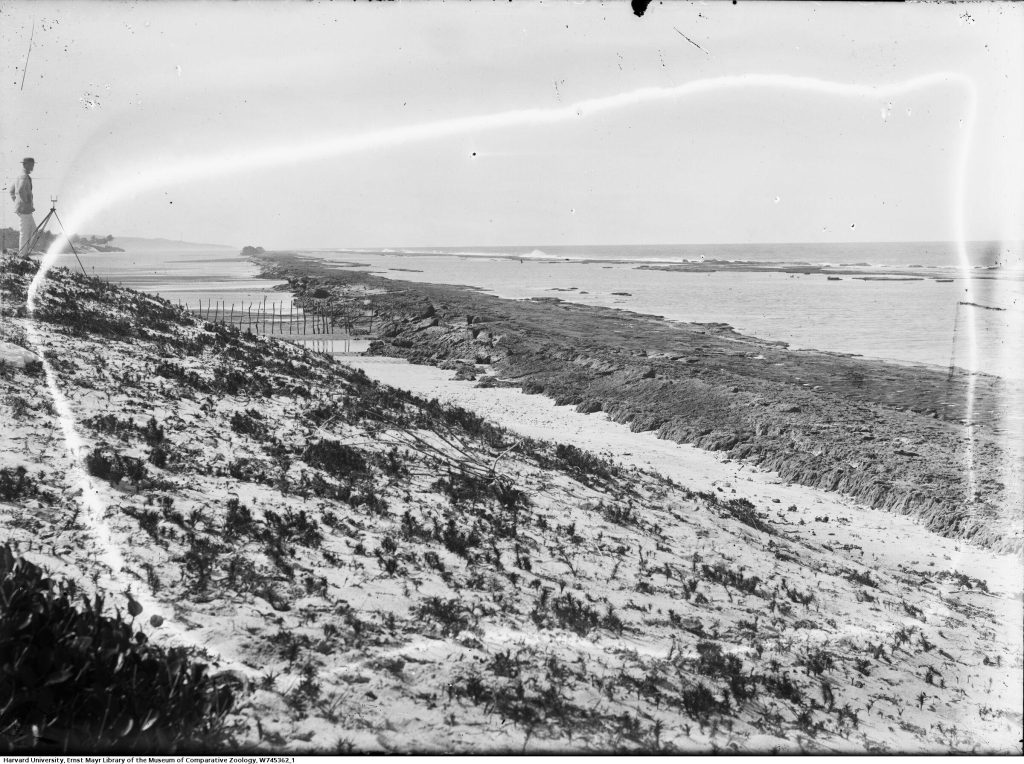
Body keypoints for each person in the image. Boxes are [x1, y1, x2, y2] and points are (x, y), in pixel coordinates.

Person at [9, 157, 35, 256]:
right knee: (25, 232)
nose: (32, 167)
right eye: (31, 164)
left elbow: (11, 191)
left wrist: (17, 203)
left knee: (33, 231)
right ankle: (22, 255)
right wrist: (25, 202)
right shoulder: (24, 176)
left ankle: (24, 253)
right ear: (25, 165)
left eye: (33, 164)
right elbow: (19, 190)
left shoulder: (20, 176)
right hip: (25, 209)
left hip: (23, 209)